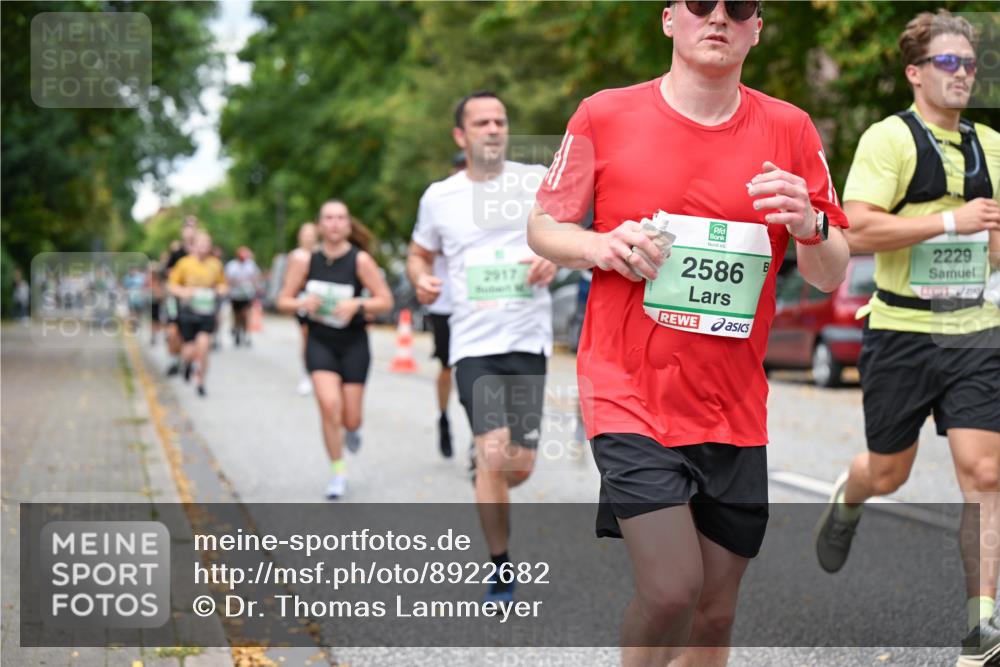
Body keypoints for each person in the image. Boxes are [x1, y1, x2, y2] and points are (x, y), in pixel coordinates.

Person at [527, 2, 850, 664]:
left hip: (731, 402)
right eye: (701, 3)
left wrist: (810, 228)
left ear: (756, 28)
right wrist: (599, 242)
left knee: (715, 609)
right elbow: (543, 227)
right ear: (669, 19)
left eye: (740, 7)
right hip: (628, 390)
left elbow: (827, 272)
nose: (719, 17)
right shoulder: (603, 114)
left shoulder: (790, 129)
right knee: (674, 588)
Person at [813, 10, 1000, 666]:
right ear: (916, 72)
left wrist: (992, 242)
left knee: (986, 471)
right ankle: (850, 494)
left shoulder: (993, 147)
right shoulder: (887, 140)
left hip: (975, 330)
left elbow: (996, 247)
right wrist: (951, 220)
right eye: (948, 63)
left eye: (969, 63)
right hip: (900, 331)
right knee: (889, 471)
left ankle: (983, 625)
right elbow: (858, 230)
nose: (962, 74)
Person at [407, 91, 556, 603]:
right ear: (461, 135)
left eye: (500, 121)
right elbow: (418, 252)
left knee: (519, 466)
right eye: (482, 122)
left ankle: (486, 465)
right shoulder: (438, 197)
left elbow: (564, 235)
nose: (493, 128)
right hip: (473, 344)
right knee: (494, 454)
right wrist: (422, 278)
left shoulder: (534, 183)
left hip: (528, 338)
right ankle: (500, 566)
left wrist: (553, 260)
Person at [278, 201, 392, 499]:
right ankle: (337, 472)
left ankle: (353, 430)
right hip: (320, 342)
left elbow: (386, 301)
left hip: (353, 343)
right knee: (329, 407)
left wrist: (358, 304)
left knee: (350, 418)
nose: (335, 223)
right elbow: (282, 300)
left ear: (348, 225)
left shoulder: (361, 261)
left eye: (341, 218)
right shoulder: (305, 261)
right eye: (328, 218)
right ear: (319, 225)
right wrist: (303, 303)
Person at [426, 151, 469, 459]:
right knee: (446, 370)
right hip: (444, 304)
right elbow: (421, 252)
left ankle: (478, 436)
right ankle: (443, 418)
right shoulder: (439, 204)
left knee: (476, 372)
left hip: (478, 304)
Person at [168, 229, 228, 397]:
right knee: (188, 350)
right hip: (188, 312)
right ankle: (186, 364)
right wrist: (185, 292)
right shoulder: (184, 263)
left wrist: (219, 291)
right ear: (193, 245)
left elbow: (223, 285)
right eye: (200, 243)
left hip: (207, 312)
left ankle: (201, 382)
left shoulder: (215, 264)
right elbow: (172, 286)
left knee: (204, 345)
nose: (203, 247)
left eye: (206, 244)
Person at [164, 217, 198, 375]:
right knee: (172, 332)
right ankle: (174, 361)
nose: (190, 231)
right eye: (187, 227)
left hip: (195, 300)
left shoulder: (201, 253)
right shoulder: (176, 253)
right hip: (176, 299)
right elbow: (168, 273)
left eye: (193, 227)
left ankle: (189, 361)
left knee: (192, 334)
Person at [291, 222, 319, 395]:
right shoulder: (296, 256)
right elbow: (291, 283)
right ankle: (306, 374)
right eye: (305, 233)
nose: (308, 237)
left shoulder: (322, 253)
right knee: (307, 337)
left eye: (311, 233)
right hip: (303, 301)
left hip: (320, 301)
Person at [225, 246, 262, 347]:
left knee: (246, 314)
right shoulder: (232, 265)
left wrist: (257, 288)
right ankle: (236, 329)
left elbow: (255, 277)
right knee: (237, 315)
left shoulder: (251, 265)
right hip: (235, 294)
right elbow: (228, 279)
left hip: (247, 293)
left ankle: (245, 333)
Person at [149, 252, 168, 346]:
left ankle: (163, 334)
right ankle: (154, 335)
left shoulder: (163, 275)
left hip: (162, 301)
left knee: (163, 319)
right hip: (155, 301)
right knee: (154, 319)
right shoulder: (152, 278)